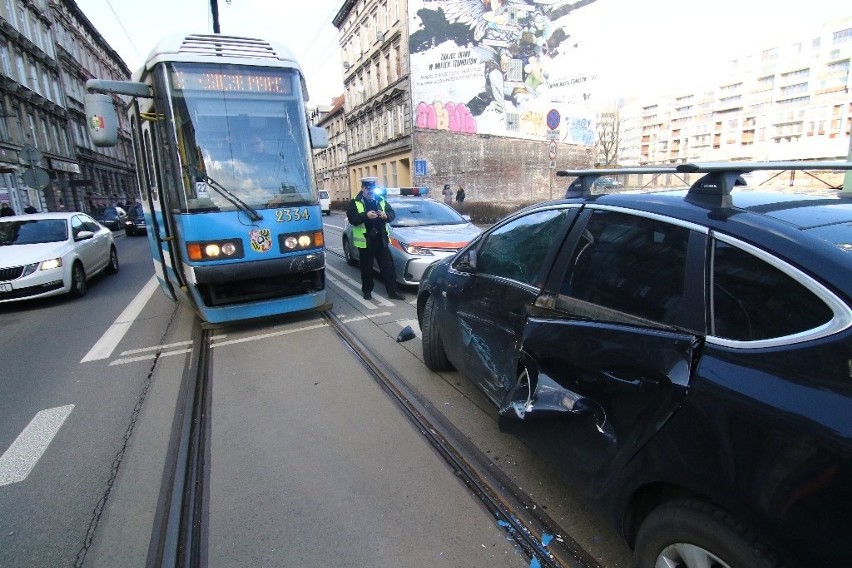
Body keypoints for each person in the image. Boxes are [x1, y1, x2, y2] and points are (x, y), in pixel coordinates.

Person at [346, 177, 405, 301]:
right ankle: (367, 292)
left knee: (387, 268)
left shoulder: (381, 200)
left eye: (372, 188)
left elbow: (392, 214)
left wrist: (386, 215)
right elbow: (353, 219)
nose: (369, 190)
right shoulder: (355, 202)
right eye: (367, 188)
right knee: (366, 270)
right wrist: (366, 216)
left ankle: (393, 292)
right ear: (362, 188)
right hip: (366, 241)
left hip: (381, 239)